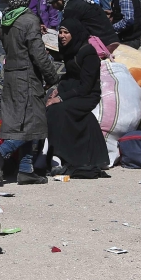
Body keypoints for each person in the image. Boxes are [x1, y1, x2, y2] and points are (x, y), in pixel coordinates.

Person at [0, 0, 60, 184]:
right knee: (32, 122)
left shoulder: (6, 19)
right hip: (27, 77)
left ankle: (25, 169)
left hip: (11, 75)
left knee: (21, 121)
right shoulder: (28, 20)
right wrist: (52, 76)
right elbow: (38, 54)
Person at [46, 18, 109, 178]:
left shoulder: (88, 53)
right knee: (48, 104)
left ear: (74, 33)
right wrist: (57, 89)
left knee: (58, 110)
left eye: (66, 32)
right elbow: (70, 74)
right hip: (73, 89)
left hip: (87, 95)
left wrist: (61, 98)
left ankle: (62, 156)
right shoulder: (69, 49)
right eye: (60, 32)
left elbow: (86, 86)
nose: (61, 35)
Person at [44, 0, 120, 47]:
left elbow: (71, 35)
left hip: (103, 44)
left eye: (53, 4)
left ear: (60, 0)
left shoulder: (71, 9)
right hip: (110, 39)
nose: (53, 7)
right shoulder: (79, 1)